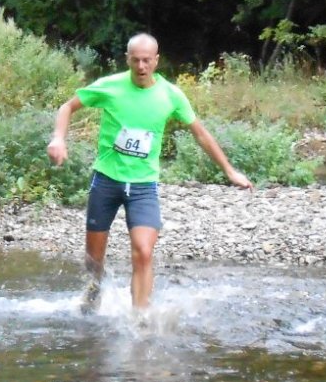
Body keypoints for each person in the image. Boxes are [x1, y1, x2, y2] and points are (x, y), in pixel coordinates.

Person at [46, 33, 252, 313]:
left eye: (146, 60)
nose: (141, 66)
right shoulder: (110, 86)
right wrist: (58, 138)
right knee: (93, 259)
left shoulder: (170, 95)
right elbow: (67, 107)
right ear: (127, 59)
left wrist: (229, 171)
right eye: (135, 60)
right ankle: (93, 295)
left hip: (143, 186)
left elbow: (201, 134)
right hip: (106, 181)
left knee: (143, 251)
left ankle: (140, 317)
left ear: (156, 60)